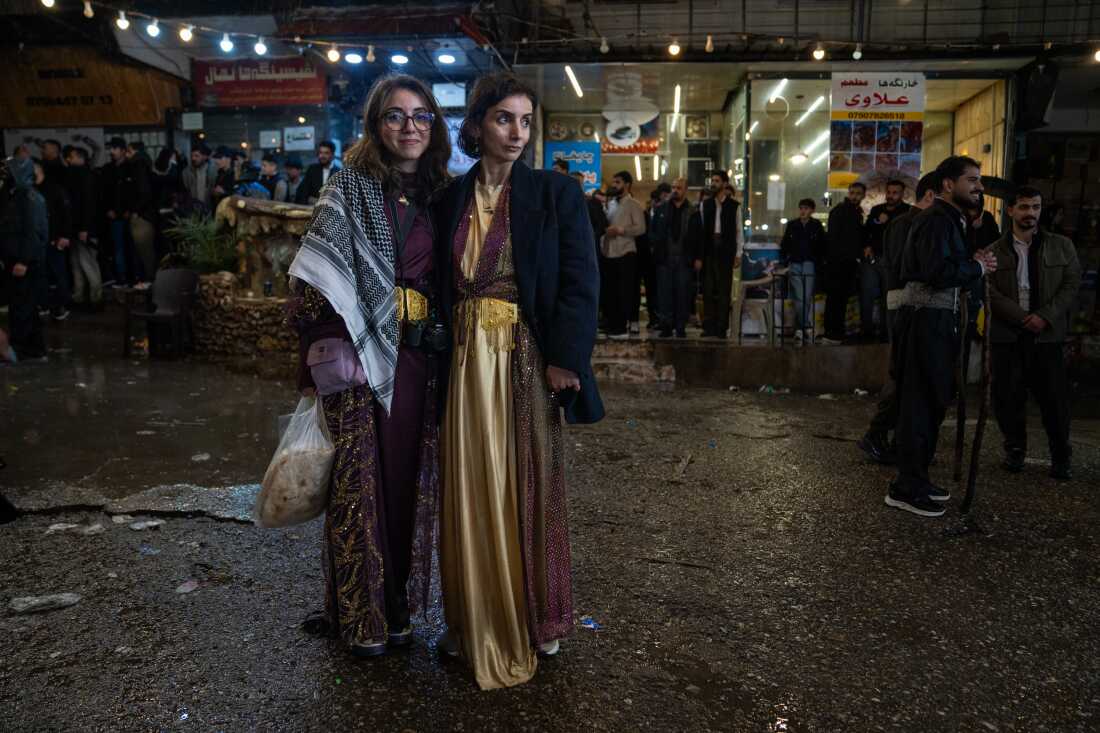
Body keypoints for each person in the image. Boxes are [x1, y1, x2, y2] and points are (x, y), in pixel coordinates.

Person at [434, 71, 603, 690]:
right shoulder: (449, 198)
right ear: (477, 123)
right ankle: (473, 615)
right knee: (471, 483)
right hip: (460, 361)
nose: (517, 132)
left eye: (525, 121)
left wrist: (568, 359)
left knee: (527, 477)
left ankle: (537, 617)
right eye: (504, 118)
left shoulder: (555, 192)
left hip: (523, 358)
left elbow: (581, 284)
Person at [285, 74, 451, 658]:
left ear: (434, 127)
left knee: (406, 484)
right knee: (360, 486)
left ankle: (400, 608)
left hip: (415, 366)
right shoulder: (347, 187)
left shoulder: (440, 195)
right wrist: (346, 335)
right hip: (358, 363)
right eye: (396, 116)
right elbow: (313, 278)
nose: (410, 127)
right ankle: (360, 615)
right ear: (375, 126)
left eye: (421, 116)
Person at [887, 156, 997, 518]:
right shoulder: (936, 218)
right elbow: (936, 271)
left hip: (937, 321)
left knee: (933, 400)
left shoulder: (951, 219)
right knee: (919, 403)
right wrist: (977, 267)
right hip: (925, 322)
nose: (979, 187)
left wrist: (971, 262)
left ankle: (917, 478)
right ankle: (906, 486)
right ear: (949, 184)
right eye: (972, 180)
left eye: (979, 180)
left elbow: (945, 265)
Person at [989, 187, 1081, 481]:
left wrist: (1045, 316)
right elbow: (987, 289)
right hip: (1009, 334)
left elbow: (1071, 283)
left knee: (1054, 400)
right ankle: (1014, 450)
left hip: (1046, 336)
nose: (1031, 213)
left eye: (1036, 207)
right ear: (1011, 211)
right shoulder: (994, 251)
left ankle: (1060, 456)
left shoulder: (1062, 246)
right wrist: (1020, 317)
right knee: (1007, 397)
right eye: (1025, 207)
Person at [858, 172, 939, 464]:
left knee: (906, 375)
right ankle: (879, 435)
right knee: (904, 374)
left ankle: (889, 437)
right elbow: (908, 267)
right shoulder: (906, 223)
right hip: (907, 305)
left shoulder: (904, 220)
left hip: (906, 304)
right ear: (931, 195)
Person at [0, 156, 49, 360]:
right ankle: (32, 350)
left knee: (24, 307)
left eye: (7, 170)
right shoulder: (14, 195)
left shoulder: (29, 197)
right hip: (15, 260)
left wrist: (24, 260)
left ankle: (22, 351)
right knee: (21, 306)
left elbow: (34, 232)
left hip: (26, 263)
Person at [861, 180, 911, 342]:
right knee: (867, 295)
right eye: (889, 192)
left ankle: (886, 334)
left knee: (888, 299)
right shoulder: (877, 210)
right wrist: (867, 244)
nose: (891, 196)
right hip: (874, 259)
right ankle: (866, 333)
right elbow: (867, 229)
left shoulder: (908, 212)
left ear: (902, 194)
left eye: (895, 192)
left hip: (894, 263)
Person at [697, 171, 744, 338]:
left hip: (726, 252)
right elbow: (701, 232)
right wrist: (699, 256)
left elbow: (739, 232)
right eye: (712, 181)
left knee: (724, 291)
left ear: (725, 184)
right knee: (708, 290)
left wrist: (738, 253)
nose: (713, 183)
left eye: (717, 181)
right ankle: (708, 326)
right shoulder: (705, 205)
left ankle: (722, 327)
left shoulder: (734, 206)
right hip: (709, 251)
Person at [650, 177, 698, 338]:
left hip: (685, 258)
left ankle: (680, 327)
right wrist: (656, 248)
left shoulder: (693, 211)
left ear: (685, 190)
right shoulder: (661, 209)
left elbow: (699, 237)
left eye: (679, 188)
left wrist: (698, 257)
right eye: (673, 187)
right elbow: (653, 231)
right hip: (665, 257)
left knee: (683, 294)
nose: (675, 190)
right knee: (664, 293)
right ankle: (666, 326)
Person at [600, 170, 645, 339]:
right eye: (614, 182)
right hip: (609, 252)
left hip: (626, 252)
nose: (614, 185)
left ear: (627, 185)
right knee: (610, 291)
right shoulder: (610, 204)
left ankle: (621, 326)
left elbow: (641, 228)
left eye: (618, 182)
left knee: (623, 291)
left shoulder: (633, 204)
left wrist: (621, 230)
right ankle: (611, 325)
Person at [822, 181, 866, 345]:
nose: (854, 196)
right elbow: (835, 239)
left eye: (858, 193)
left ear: (863, 195)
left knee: (839, 299)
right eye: (852, 193)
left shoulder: (853, 212)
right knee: (836, 298)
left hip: (844, 263)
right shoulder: (842, 212)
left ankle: (834, 332)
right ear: (849, 193)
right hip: (839, 264)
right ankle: (833, 333)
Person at [779, 198, 826, 344]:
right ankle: (804, 327)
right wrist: (785, 261)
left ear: (812, 210)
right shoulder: (792, 225)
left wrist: (820, 262)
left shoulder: (817, 225)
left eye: (806, 208)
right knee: (800, 296)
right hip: (795, 263)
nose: (803, 211)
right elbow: (785, 244)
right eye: (801, 208)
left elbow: (822, 246)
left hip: (810, 263)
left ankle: (800, 328)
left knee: (805, 296)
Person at [62, 146, 101, 309]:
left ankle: (94, 298)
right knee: (79, 263)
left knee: (85, 263)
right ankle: (84, 297)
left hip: (83, 227)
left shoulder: (83, 175)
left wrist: (85, 227)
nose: (68, 160)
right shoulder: (82, 174)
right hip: (80, 227)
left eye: (71, 157)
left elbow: (88, 204)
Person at [34, 159, 73, 321]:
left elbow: (66, 213)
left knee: (58, 274)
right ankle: (43, 304)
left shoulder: (54, 188)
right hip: (37, 240)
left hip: (55, 238)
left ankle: (59, 306)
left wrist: (65, 235)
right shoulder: (28, 189)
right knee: (40, 274)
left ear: (39, 169)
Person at [635, 182, 670, 333]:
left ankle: (659, 318)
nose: (657, 203)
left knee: (659, 289)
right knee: (652, 289)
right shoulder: (648, 212)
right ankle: (654, 318)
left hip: (659, 256)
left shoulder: (666, 212)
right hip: (648, 256)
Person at [124, 141, 157, 283]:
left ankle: (150, 280)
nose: (126, 155)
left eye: (128, 151)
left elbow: (144, 192)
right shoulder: (147, 163)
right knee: (147, 251)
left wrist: (135, 211)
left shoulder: (137, 166)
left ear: (132, 151)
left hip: (142, 216)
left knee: (144, 251)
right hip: (148, 215)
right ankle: (150, 279)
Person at [295, 140, 339, 205]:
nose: (322, 156)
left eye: (326, 153)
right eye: (320, 153)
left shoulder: (338, 173)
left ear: (332, 155)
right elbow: (302, 192)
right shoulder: (312, 170)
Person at [181, 144, 216, 212]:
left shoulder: (213, 170)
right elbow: (185, 189)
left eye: (197, 156)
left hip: (209, 208)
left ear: (205, 156)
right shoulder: (186, 171)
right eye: (192, 156)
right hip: (192, 208)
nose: (193, 158)